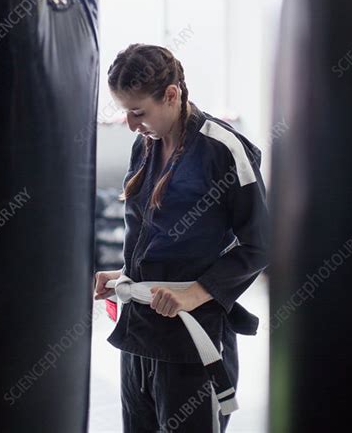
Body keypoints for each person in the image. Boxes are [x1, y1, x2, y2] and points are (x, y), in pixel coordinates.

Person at [94, 44, 269, 432]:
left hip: (192, 336)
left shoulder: (225, 151)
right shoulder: (145, 145)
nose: (130, 123)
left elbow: (259, 245)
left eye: (138, 112)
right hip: (138, 332)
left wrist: (196, 292)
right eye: (124, 111)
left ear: (171, 95)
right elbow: (151, 233)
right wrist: (124, 273)